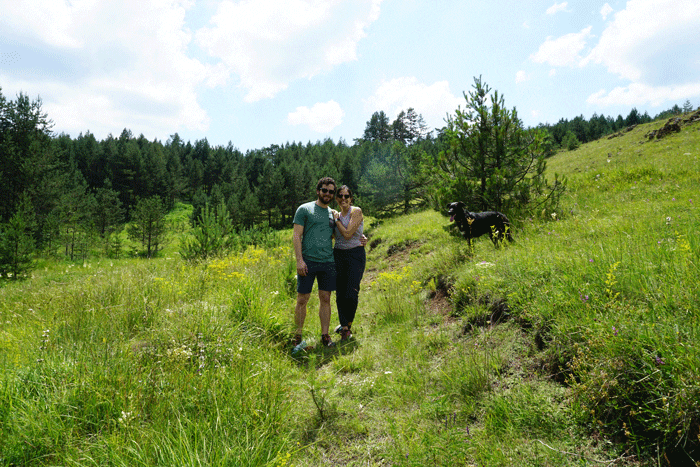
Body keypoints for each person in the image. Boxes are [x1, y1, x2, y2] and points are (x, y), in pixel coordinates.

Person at [292, 177, 338, 348]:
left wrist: (360, 237)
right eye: (324, 190)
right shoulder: (304, 209)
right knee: (302, 299)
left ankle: (325, 336)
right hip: (307, 261)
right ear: (318, 190)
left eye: (331, 191)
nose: (327, 194)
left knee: (325, 298)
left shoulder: (332, 213)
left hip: (327, 262)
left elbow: (336, 234)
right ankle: (297, 337)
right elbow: (297, 235)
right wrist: (299, 260)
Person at [332, 185, 366, 342]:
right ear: (337, 198)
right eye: (340, 196)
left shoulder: (355, 211)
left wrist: (337, 219)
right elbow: (332, 235)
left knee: (352, 292)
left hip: (355, 255)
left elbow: (347, 234)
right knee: (340, 292)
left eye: (347, 196)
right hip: (338, 255)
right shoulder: (334, 215)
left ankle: (348, 323)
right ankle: (344, 327)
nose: (343, 199)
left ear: (351, 198)